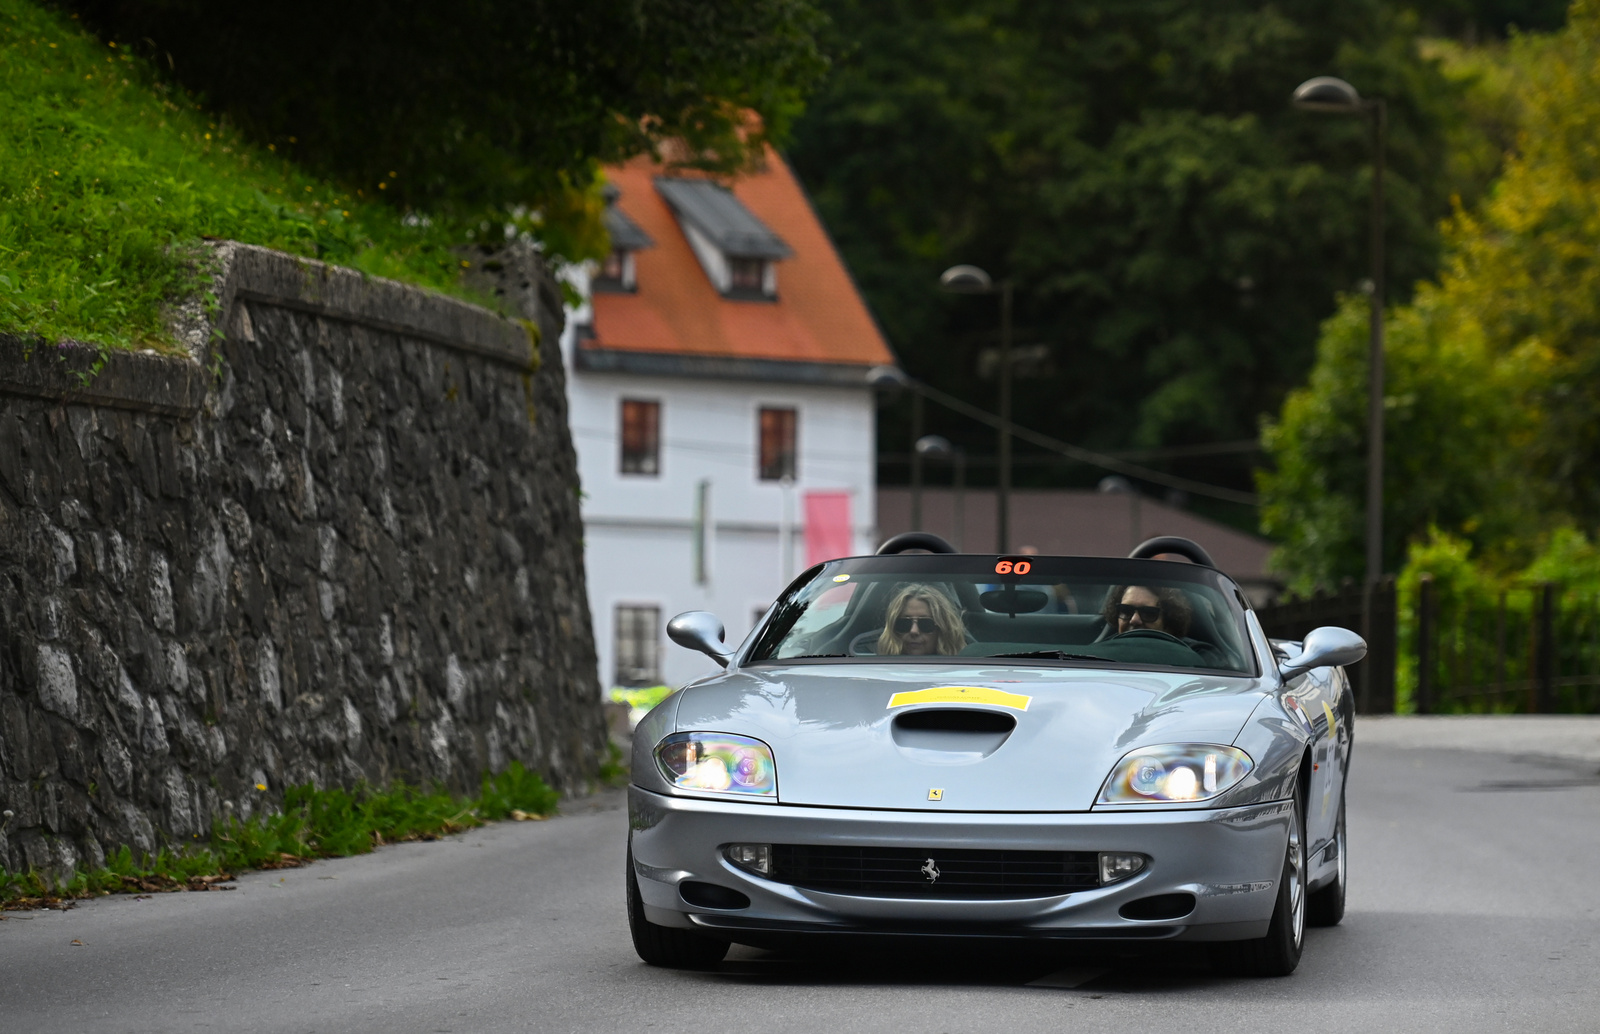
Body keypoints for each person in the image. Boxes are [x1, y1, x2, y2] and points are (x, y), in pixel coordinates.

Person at [876, 583, 966, 656]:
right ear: (893, 628)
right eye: (904, 623)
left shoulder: (965, 670)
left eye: (925, 624)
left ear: (942, 629)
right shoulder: (871, 666)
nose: (913, 631)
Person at [1102, 585, 1193, 638]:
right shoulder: (1098, 657)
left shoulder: (1192, 662)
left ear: (1168, 621)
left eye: (1148, 613)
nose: (1134, 620)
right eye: (1126, 611)